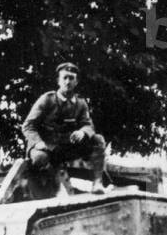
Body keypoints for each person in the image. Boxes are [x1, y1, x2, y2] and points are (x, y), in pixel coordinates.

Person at [21, 62, 107, 196]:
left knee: (97, 140)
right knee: (40, 158)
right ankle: (40, 191)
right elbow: (28, 125)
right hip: (46, 146)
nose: (68, 82)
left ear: (76, 81)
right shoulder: (47, 100)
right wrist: (38, 142)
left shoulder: (80, 103)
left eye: (71, 78)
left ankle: (97, 182)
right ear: (58, 81)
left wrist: (83, 132)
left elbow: (88, 125)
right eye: (64, 78)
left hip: (66, 148)